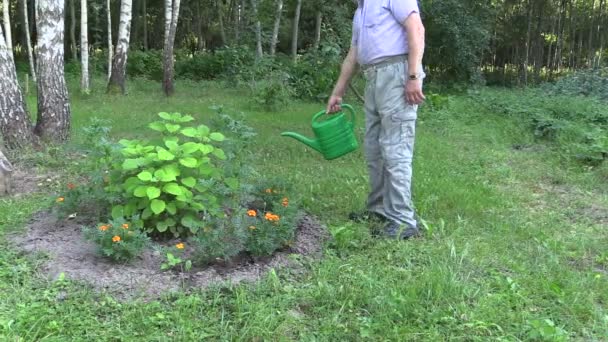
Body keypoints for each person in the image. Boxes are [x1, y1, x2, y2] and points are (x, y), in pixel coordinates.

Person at [326, 0, 426, 239]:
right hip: (373, 77)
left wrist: (413, 75)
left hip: (397, 74)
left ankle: (403, 221)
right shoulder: (361, 10)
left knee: (395, 148)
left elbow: (417, 29)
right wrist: (338, 92)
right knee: (374, 148)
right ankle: (379, 210)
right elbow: (354, 55)